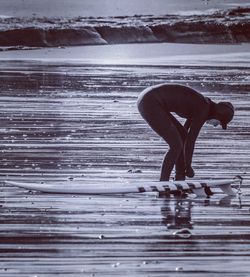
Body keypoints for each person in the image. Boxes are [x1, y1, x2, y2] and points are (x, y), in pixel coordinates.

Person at [137, 83, 234, 181]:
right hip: (150, 101)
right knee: (175, 146)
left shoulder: (203, 105)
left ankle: (179, 178)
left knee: (181, 138)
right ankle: (163, 182)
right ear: (218, 115)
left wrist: (184, 169)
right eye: (220, 122)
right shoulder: (203, 109)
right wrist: (188, 166)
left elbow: (185, 134)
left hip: (149, 98)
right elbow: (191, 141)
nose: (216, 125)